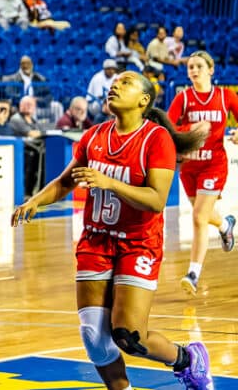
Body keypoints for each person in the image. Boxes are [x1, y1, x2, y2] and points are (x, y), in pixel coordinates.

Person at [12, 71, 214, 390]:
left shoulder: (156, 139)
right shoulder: (93, 136)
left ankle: (188, 360)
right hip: (96, 240)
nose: (115, 86)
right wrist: (35, 201)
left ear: (144, 100)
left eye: (126, 82)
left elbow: (156, 200)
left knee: (128, 335)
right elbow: (67, 181)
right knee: (93, 337)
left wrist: (110, 183)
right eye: (114, 82)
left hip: (138, 243)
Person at [166, 51, 238, 295]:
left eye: (198, 66)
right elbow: (168, 128)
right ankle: (225, 225)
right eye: (190, 67)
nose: (193, 70)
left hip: (214, 165)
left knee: (198, 216)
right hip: (189, 167)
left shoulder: (225, 96)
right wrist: (190, 129)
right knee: (204, 214)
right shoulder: (183, 98)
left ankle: (193, 273)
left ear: (211, 69)